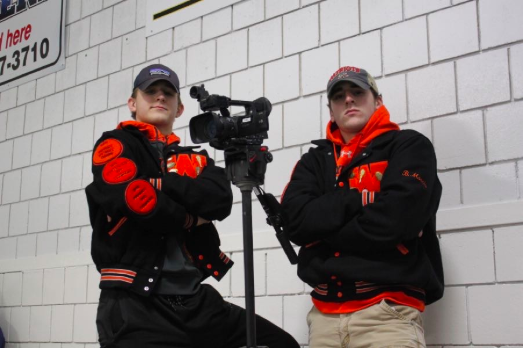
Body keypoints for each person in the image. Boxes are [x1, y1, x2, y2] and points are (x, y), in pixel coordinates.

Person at [85, 64, 299, 348]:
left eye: (168, 93)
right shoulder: (115, 144)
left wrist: (160, 184)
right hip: (135, 305)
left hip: (195, 302)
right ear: (132, 103)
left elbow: (220, 200)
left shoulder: (195, 158)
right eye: (151, 92)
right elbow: (136, 202)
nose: (160, 97)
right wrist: (190, 218)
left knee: (282, 343)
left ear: (180, 108)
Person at [281, 66, 444, 347]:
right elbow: (294, 222)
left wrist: (320, 232)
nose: (348, 100)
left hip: (388, 313)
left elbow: (398, 220)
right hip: (323, 317)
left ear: (377, 101)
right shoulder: (314, 161)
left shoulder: (409, 146)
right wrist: (359, 199)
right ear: (331, 111)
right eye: (338, 96)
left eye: (357, 91)